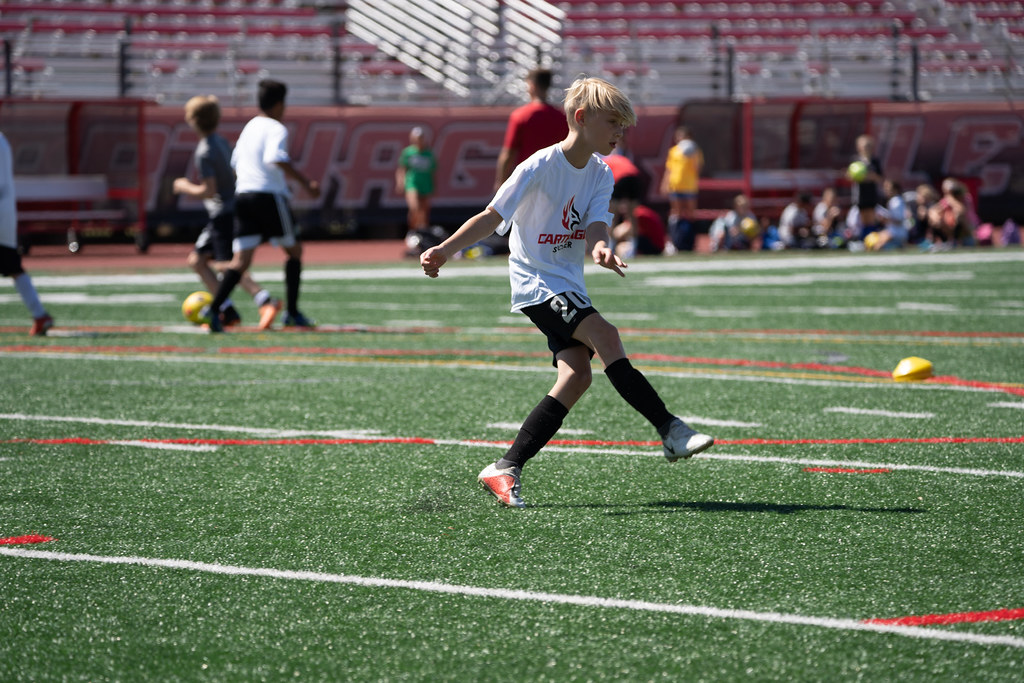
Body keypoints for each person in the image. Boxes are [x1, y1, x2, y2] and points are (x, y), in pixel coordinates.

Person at [420, 76, 714, 508]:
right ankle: (670, 429)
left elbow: (596, 222)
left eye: (623, 125)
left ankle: (505, 467)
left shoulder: (601, 172)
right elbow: (492, 216)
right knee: (606, 334)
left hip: (568, 284)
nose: (619, 132)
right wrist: (444, 250)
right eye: (613, 122)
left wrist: (600, 246)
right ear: (581, 118)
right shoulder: (539, 166)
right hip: (536, 281)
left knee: (576, 376)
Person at [201, 79, 320, 332]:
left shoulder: (250, 127)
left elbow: (235, 164)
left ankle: (213, 311)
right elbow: (276, 158)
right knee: (294, 251)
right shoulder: (276, 128)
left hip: (243, 196)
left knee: (240, 261)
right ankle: (292, 313)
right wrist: (306, 183)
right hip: (268, 196)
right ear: (279, 104)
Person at [172, 94, 279, 329]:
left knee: (226, 265)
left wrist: (183, 186)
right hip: (230, 208)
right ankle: (227, 311)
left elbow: (209, 190)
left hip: (222, 213)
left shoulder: (205, 150)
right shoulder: (221, 142)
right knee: (198, 260)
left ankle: (264, 299)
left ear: (193, 120)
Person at [0, 130, 53, 336]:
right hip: (6, 212)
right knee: (13, 266)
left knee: (12, 265)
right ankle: (39, 315)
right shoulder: (3, 139)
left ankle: (40, 316)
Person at [494, 68, 569, 190]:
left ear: (532, 86)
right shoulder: (561, 117)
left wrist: (500, 183)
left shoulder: (521, 115)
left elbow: (508, 153)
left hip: (527, 181)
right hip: (554, 181)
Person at [660, 125, 703, 251]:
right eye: (678, 136)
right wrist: (665, 184)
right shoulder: (673, 151)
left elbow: (697, 168)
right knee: (676, 213)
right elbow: (669, 169)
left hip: (689, 186)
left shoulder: (695, 151)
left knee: (691, 213)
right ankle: (675, 241)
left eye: (682, 136)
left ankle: (690, 242)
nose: (679, 139)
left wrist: (692, 155)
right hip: (675, 185)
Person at [395, 126, 437, 236]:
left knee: (424, 210)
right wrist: (400, 182)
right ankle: (412, 231)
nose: (419, 140)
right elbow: (402, 169)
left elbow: (432, 171)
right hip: (412, 183)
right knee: (414, 208)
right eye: (417, 138)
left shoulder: (429, 153)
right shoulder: (408, 152)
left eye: (421, 138)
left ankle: (423, 232)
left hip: (426, 184)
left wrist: (434, 186)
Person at [926, 177, 977, 249]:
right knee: (936, 218)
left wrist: (951, 199)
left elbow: (961, 211)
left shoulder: (965, 197)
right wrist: (934, 216)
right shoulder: (946, 200)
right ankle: (940, 241)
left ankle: (955, 241)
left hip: (968, 229)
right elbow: (934, 210)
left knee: (958, 216)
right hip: (951, 229)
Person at [849, 134, 884, 233]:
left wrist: (870, 177)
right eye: (865, 146)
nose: (867, 148)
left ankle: (869, 236)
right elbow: (851, 176)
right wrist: (859, 177)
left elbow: (880, 177)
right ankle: (862, 236)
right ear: (859, 147)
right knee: (860, 219)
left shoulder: (875, 161)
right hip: (860, 195)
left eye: (869, 146)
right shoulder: (855, 161)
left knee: (871, 218)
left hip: (872, 194)